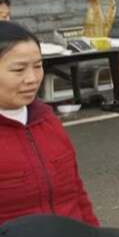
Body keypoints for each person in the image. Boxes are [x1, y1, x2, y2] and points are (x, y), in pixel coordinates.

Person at [0, 23, 97, 226]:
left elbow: (76, 192)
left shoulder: (47, 120)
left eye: (38, 66)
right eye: (18, 69)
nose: (32, 79)